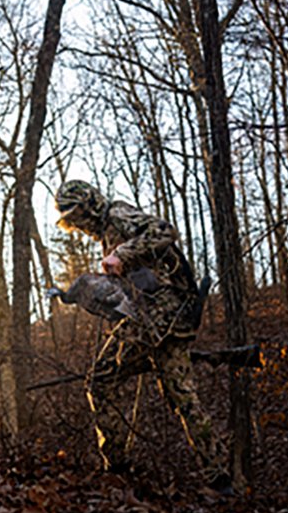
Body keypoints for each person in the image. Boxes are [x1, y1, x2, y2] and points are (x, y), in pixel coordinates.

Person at [53, 180, 231, 492]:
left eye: (79, 217)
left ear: (90, 206)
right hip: (157, 319)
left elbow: (164, 231)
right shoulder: (107, 232)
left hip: (161, 316)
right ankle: (218, 479)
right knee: (182, 395)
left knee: (103, 380)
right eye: (73, 221)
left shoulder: (118, 215)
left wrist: (122, 254)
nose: (79, 226)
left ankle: (118, 469)